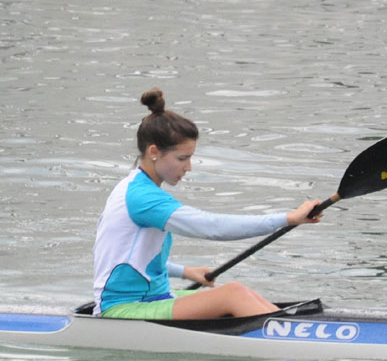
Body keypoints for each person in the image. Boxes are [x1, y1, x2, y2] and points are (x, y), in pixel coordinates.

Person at [93, 88, 322, 321]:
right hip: (123, 310)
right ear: (154, 151)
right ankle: (297, 339)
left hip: (154, 298)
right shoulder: (143, 199)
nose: (188, 167)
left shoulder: (131, 186)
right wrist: (288, 219)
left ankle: (291, 327)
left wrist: (185, 272)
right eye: (182, 158)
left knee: (243, 292)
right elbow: (213, 227)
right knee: (233, 294)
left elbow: (127, 257)